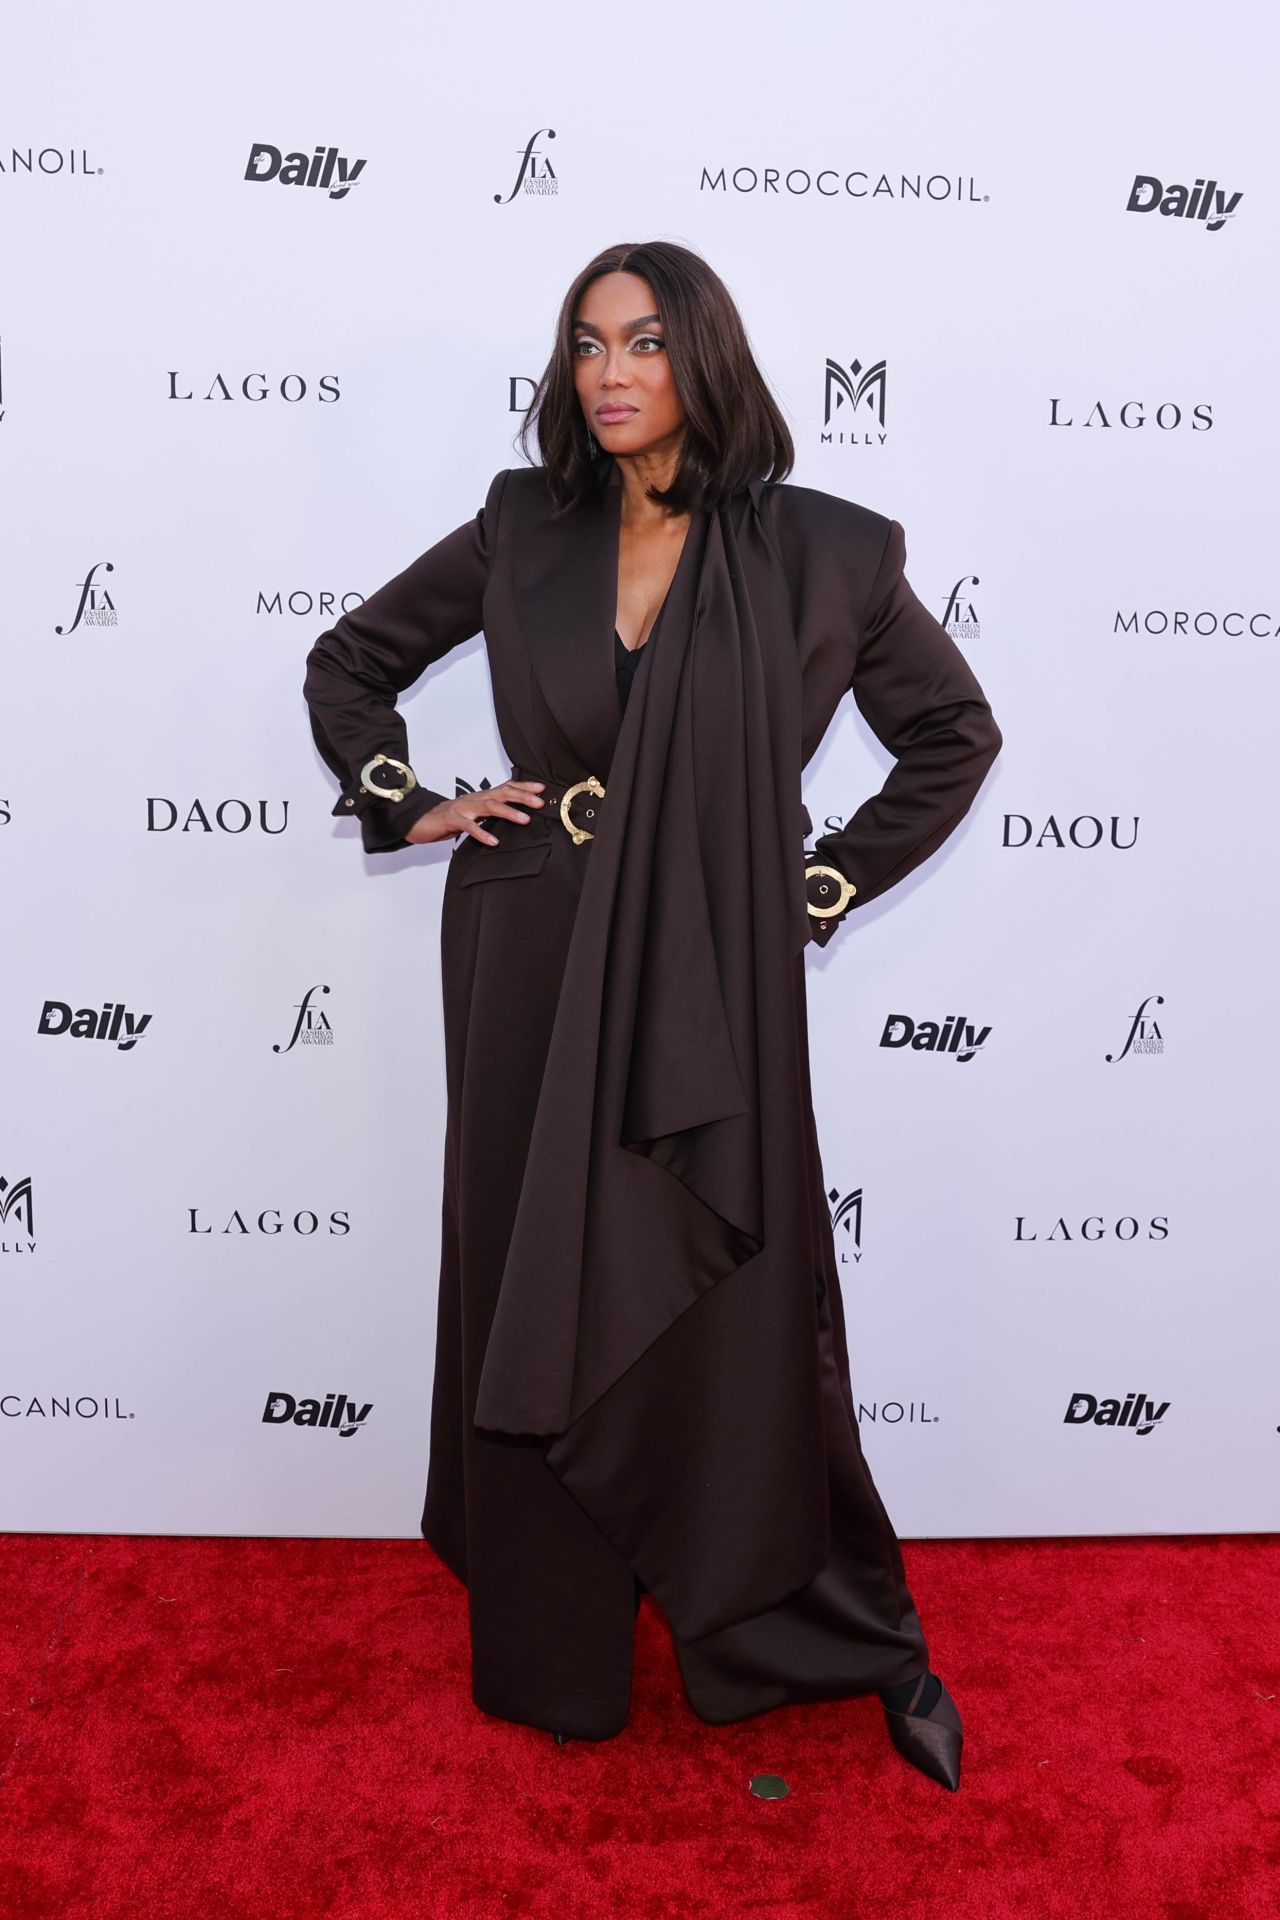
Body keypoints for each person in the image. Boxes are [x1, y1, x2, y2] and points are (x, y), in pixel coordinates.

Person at [302, 240, 1002, 1793]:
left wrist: (820, 884)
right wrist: (411, 798)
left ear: (704, 356)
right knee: (535, 1270)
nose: (608, 372)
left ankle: (779, 1620)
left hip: (713, 966)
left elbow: (953, 731)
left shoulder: (824, 550)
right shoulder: (522, 523)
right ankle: (556, 1646)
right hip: (531, 946)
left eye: (643, 342)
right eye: (586, 343)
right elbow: (352, 663)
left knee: (725, 1287)